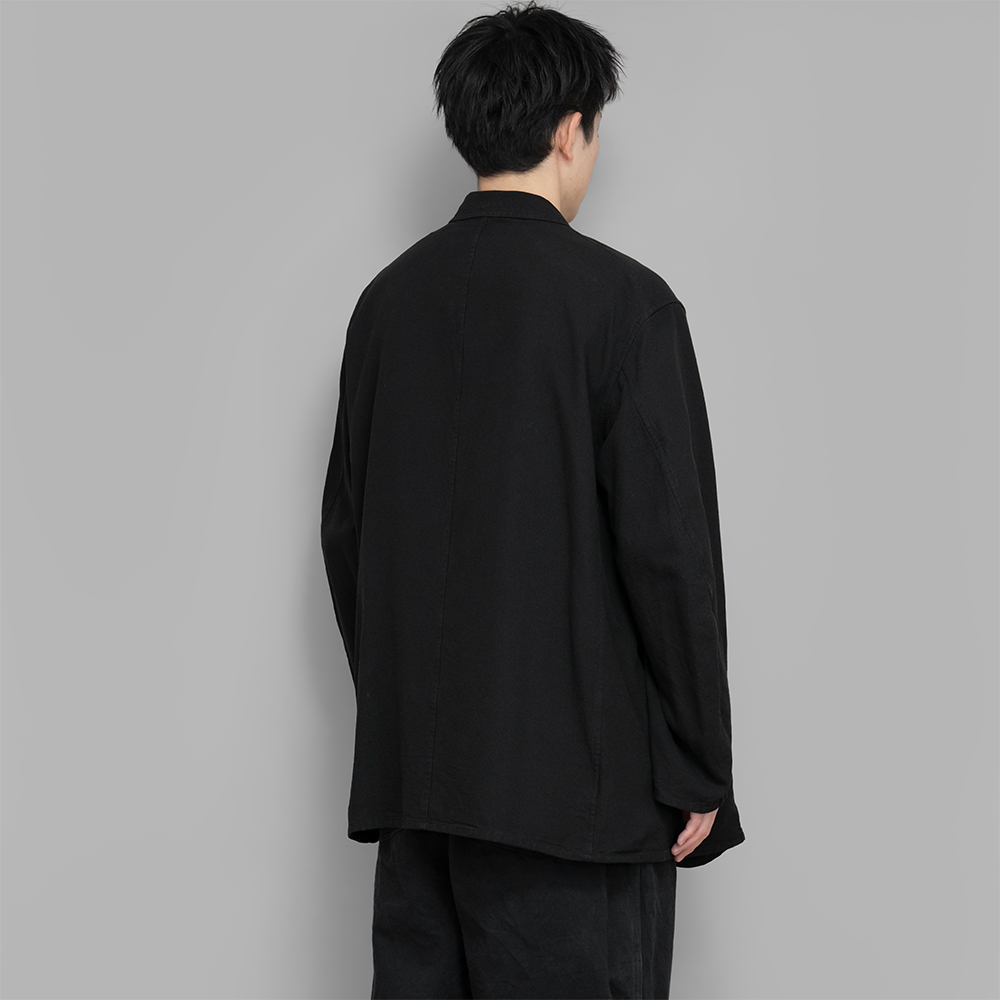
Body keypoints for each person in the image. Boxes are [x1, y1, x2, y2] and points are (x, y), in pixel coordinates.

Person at [320, 2, 746, 996]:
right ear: (569, 129)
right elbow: (670, 554)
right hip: (577, 815)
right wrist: (699, 764)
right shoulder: (624, 304)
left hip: (419, 799)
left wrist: (408, 717)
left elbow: (349, 538)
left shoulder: (385, 306)